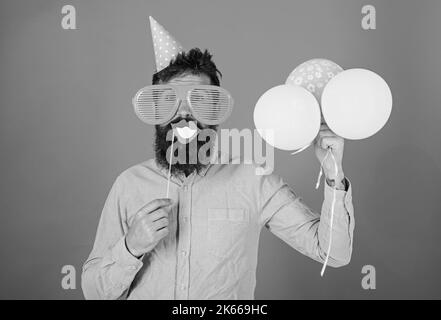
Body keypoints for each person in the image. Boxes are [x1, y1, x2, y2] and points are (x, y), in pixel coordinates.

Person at [81, 17, 354, 300]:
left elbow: (333, 253)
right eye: (170, 102)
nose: (184, 114)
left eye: (199, 101)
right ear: (157, 111)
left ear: (215, 110)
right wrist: (131, 246)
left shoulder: (253, 179)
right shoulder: (128, 185)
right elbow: (94, 293)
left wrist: (333, 173)